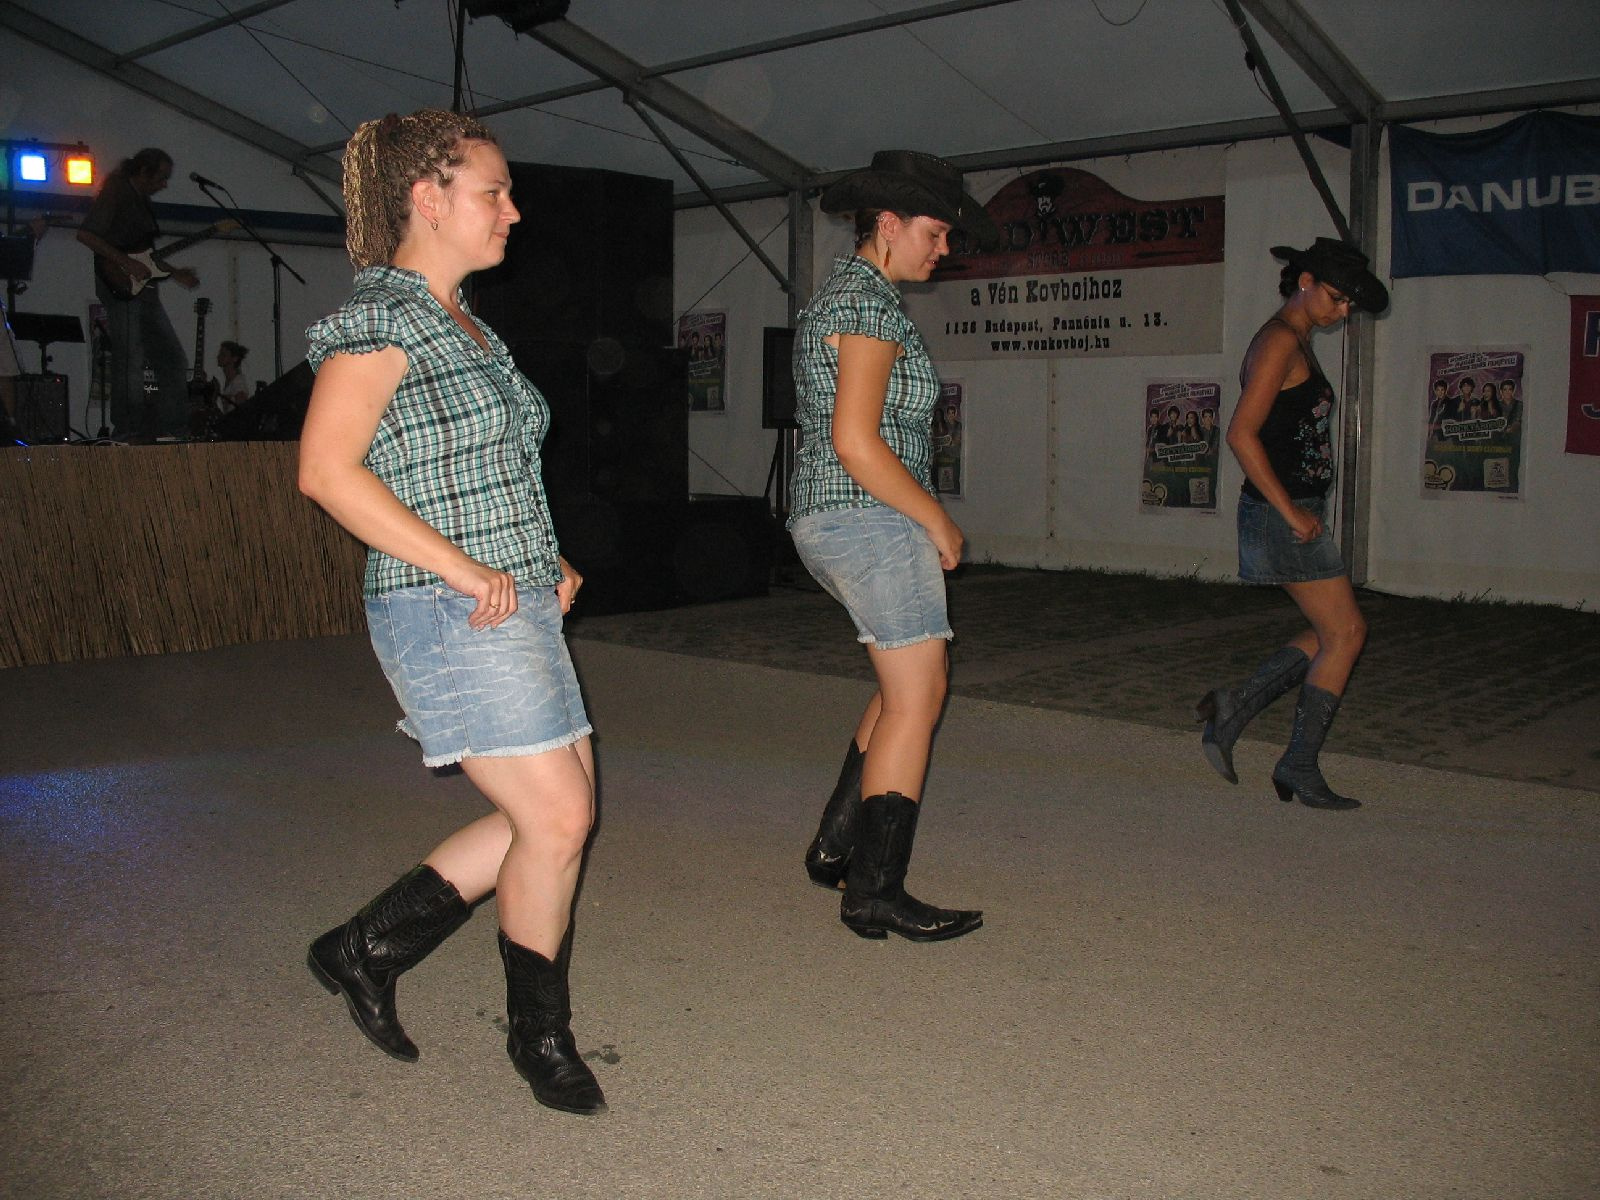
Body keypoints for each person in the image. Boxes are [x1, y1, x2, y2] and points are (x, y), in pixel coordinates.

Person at [298, 110, 605, 1116]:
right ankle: (540, 1040)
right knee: (554, 817)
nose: (513, 211)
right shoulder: (383, 316)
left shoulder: (463, 318)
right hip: (445, 606)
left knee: (553, 818)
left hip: (509, 596)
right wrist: (467, 569)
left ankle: (364, 948)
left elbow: (477, 468)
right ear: (426, 198)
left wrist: (536, 554)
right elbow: (327, 472)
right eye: (494, 191)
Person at [788, 149, 996, 941]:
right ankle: (875, 889)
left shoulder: (853, 297)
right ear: (888, 224)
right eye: (935, 233)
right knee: (921, 695)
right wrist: (937, 521)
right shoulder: (867, 307)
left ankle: (839, 843)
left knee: (907, 675)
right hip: (868, 516)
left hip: (840, 517)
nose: (942, 250)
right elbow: (856, 442)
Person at [1196, 237, 1388, 809]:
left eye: (1350, 303)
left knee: (1331, 631)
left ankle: (1235, 705)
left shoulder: (1295, 336)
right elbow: (1240, 434)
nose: (1343, 310)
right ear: (1304, 281)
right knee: (1347, 633)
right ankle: (1297, 763)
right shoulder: (1279, 341)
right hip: (1282, 515)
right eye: (1337, 297)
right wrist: (1291, 512)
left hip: (1295, 511)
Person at [76, 148, 199, 439]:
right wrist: (125, 262)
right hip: (120, 285)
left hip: (144, 289)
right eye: (162, 178)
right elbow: (86, 234)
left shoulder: (139, 199)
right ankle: (128, 430)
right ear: (143, 172)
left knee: (171, 358)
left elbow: (144, 255)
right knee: (130, 358)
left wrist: (174, 271)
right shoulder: (116, 190)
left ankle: (172, 428)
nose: (164, 184)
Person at [213, 341, 251, 415]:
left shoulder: (238, 382)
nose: (218, 356)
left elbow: (241, 409)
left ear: (234, 358)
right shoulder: (229, 381)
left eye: (223, 355)